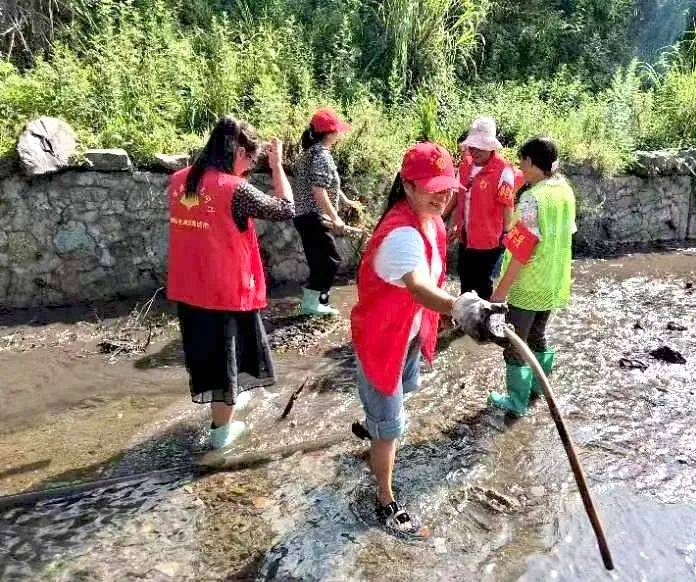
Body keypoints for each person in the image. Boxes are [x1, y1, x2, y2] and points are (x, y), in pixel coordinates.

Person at [351, 142, 502, 537]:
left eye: (448, 186)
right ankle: (384, 500)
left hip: (407, 334)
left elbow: (427, 282)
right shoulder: (401, 235)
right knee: (390, 429)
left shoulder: (430, 221)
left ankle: (373, 425)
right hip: (382, 339)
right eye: (431, 187)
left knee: (397, 395)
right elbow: (419, 288)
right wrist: (461, 306)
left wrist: (456, 310)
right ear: (407, 186)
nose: (443, 195)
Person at [167, 117, 294, 449]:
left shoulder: (179, 181)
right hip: (224, 292)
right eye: (250, 160)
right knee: (228, 363)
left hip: (189, 289)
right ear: (239, 151)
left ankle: (224, 412)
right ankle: (221, 434)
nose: (249, 168)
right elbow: (286, 209)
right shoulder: (233, 189)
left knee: (209, 360)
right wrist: (277, 167)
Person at [488, 137, 577, 416]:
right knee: (538, 335)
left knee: (514, 342)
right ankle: (539, 387)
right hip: (552, 279)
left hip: (528, 283)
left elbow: (521, 250)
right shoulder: (564, 190)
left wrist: (501, 291)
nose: (519, 168)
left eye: (522, 161)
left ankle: (516, 401)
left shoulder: (532, 198)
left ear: (532, 162)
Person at [445, 117, 523, 300]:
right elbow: (458, 196)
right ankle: (465, 321)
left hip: (490, 240)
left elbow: (507, 204)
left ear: (491, 147)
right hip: (466, 237)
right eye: (472, 147)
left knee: (482, 283)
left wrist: (505, 233)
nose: (475, 151)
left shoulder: (503, 170)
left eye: (480, 147)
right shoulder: (465, 166)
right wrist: (445, 219)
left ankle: (483, 322)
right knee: (465, 278)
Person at [293, 107, 362, 316]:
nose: (339, 134)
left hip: (305, 216)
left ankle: (315, 303)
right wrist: (335, 218)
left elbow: (328, 185)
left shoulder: (310, 154)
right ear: (330, 133)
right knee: (331, 261)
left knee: (319, 262)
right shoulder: (322, 156)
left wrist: (346, 200)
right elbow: (318, 191)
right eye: (337, 131)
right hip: (314, 217)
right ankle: (313, 303)